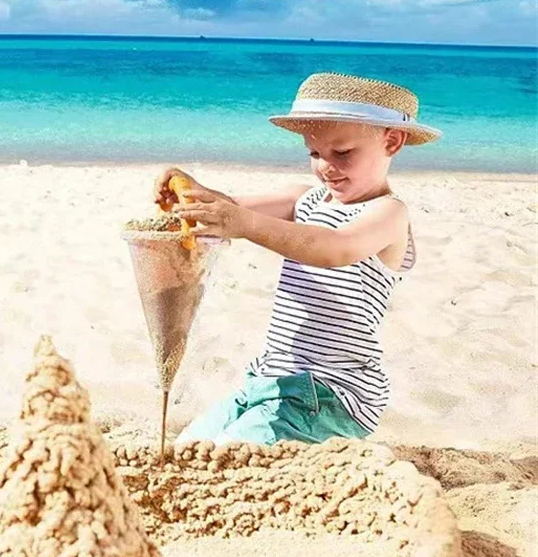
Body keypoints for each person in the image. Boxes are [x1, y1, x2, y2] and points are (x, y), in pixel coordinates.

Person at [155, 72, 442, 446]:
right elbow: (230, 207)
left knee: (235, 452)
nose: (325, 166)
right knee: (191, 446)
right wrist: (190, 189)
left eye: (342, 153)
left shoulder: (388, 214)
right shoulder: (304, 200)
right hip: (268, 380)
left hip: (332, 394)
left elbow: (334, 248)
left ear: (391, 141)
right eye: (314, 153)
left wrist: (244, 224)